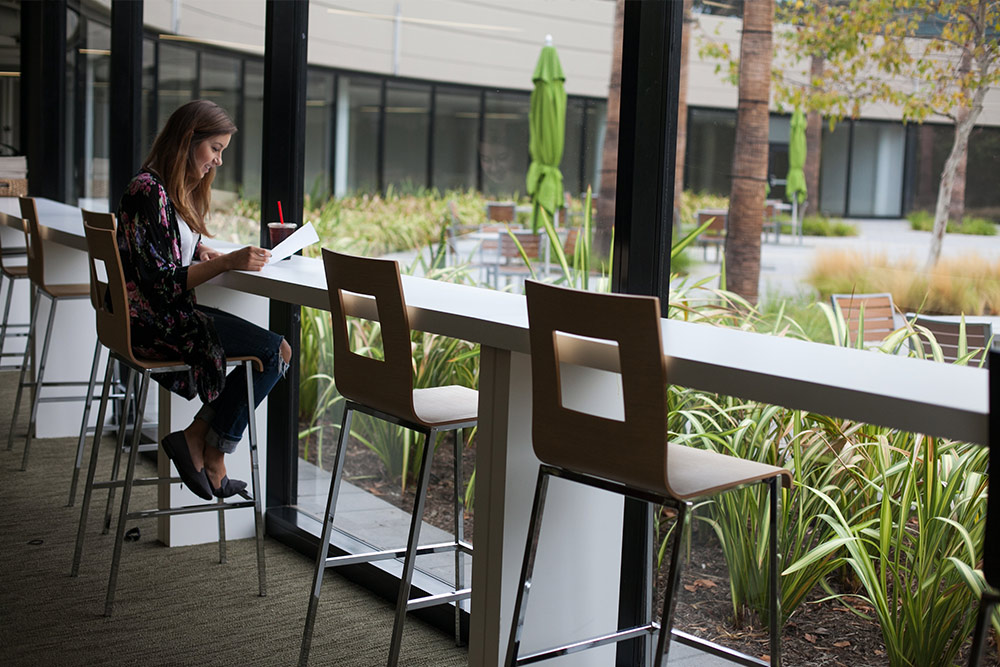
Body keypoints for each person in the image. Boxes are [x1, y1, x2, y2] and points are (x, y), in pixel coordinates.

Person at [116, 99, 292, 501]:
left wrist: (197, 251)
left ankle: (198, 441)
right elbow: (160, 282)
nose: (218, 161)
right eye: (215, 149)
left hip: (157, 316)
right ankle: (211, 453)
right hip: (156, 323)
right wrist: (227, 261)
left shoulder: (162, 189)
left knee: (275, 351)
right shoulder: (147, 189)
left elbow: (154, 250)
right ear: (187, 140)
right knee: (274, 351)